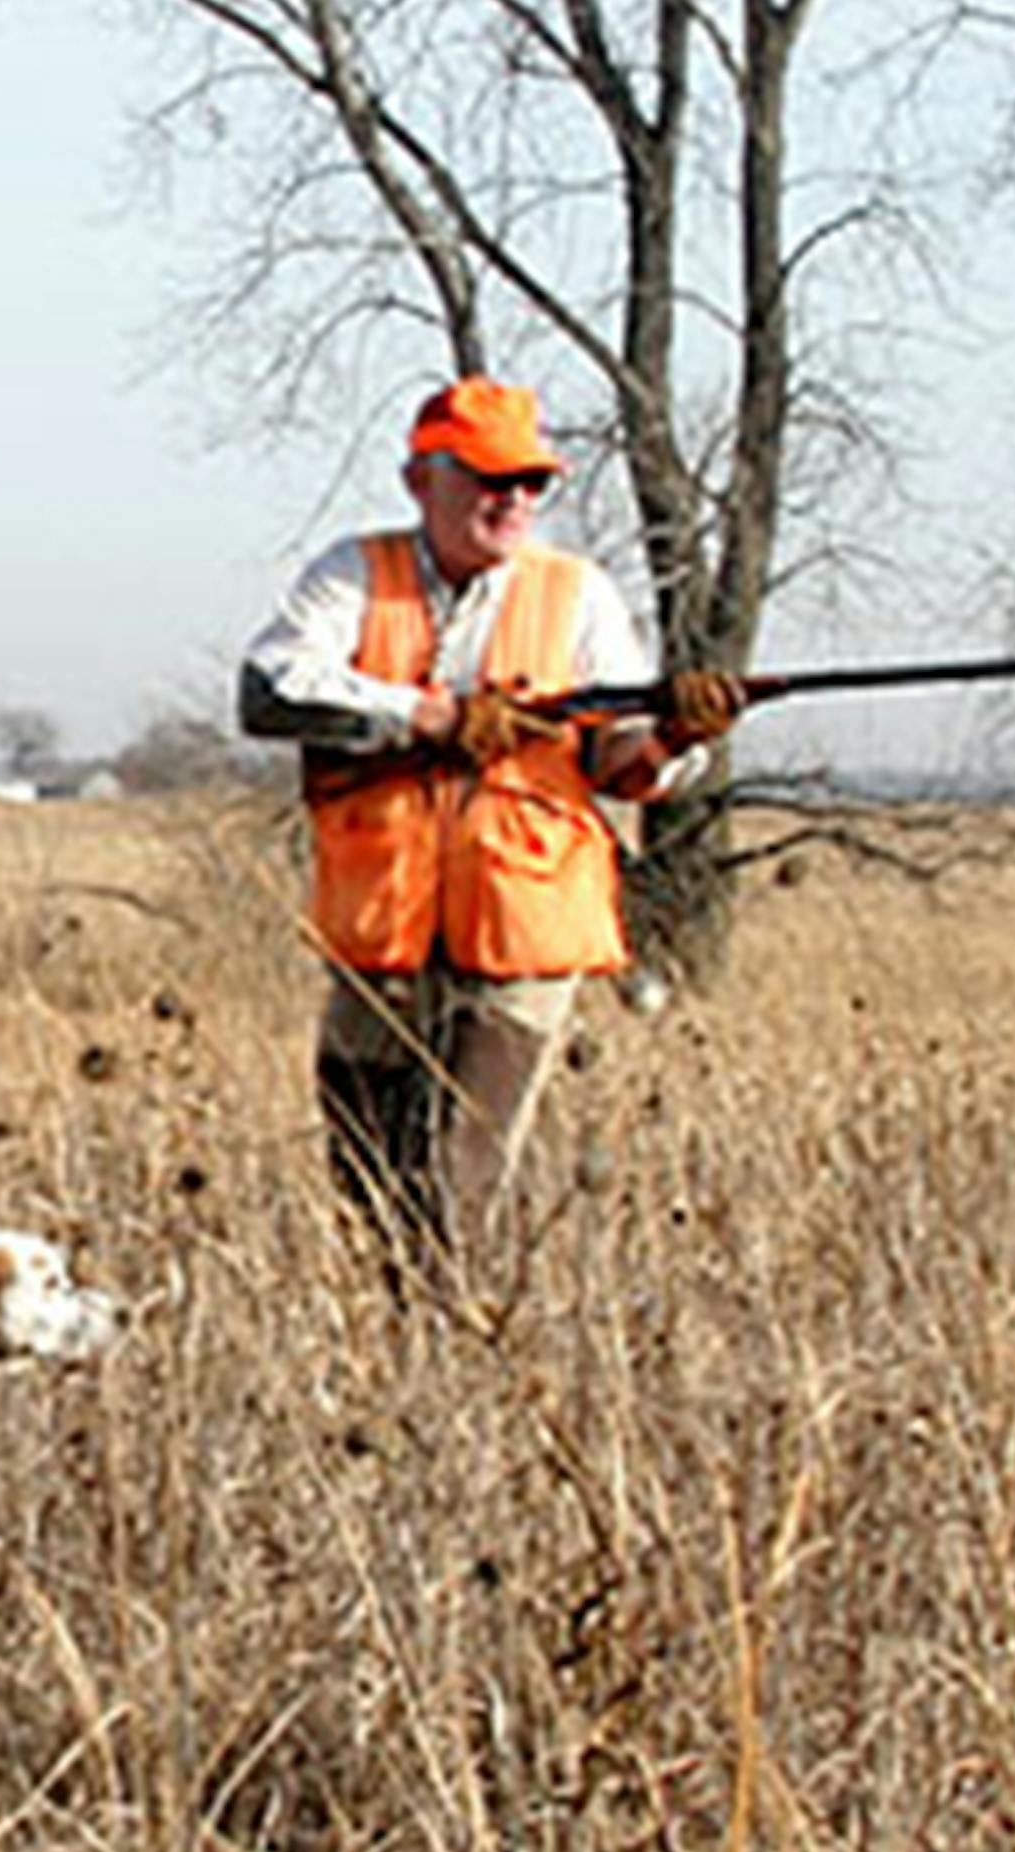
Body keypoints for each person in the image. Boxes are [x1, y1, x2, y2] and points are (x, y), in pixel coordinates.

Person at [239, 375, 744, 1273]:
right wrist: (429, 717)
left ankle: (454, 1356)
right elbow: (271, 686)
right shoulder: (357, 573)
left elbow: (618, 766)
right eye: (487, 478)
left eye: (531, 482)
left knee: (455, 1175)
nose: (513, 500)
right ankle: (404, 1345)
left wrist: (675, 734)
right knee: (366, 1176)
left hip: (522, 930)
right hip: (382, 932)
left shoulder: (576, 596)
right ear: (419, 481)